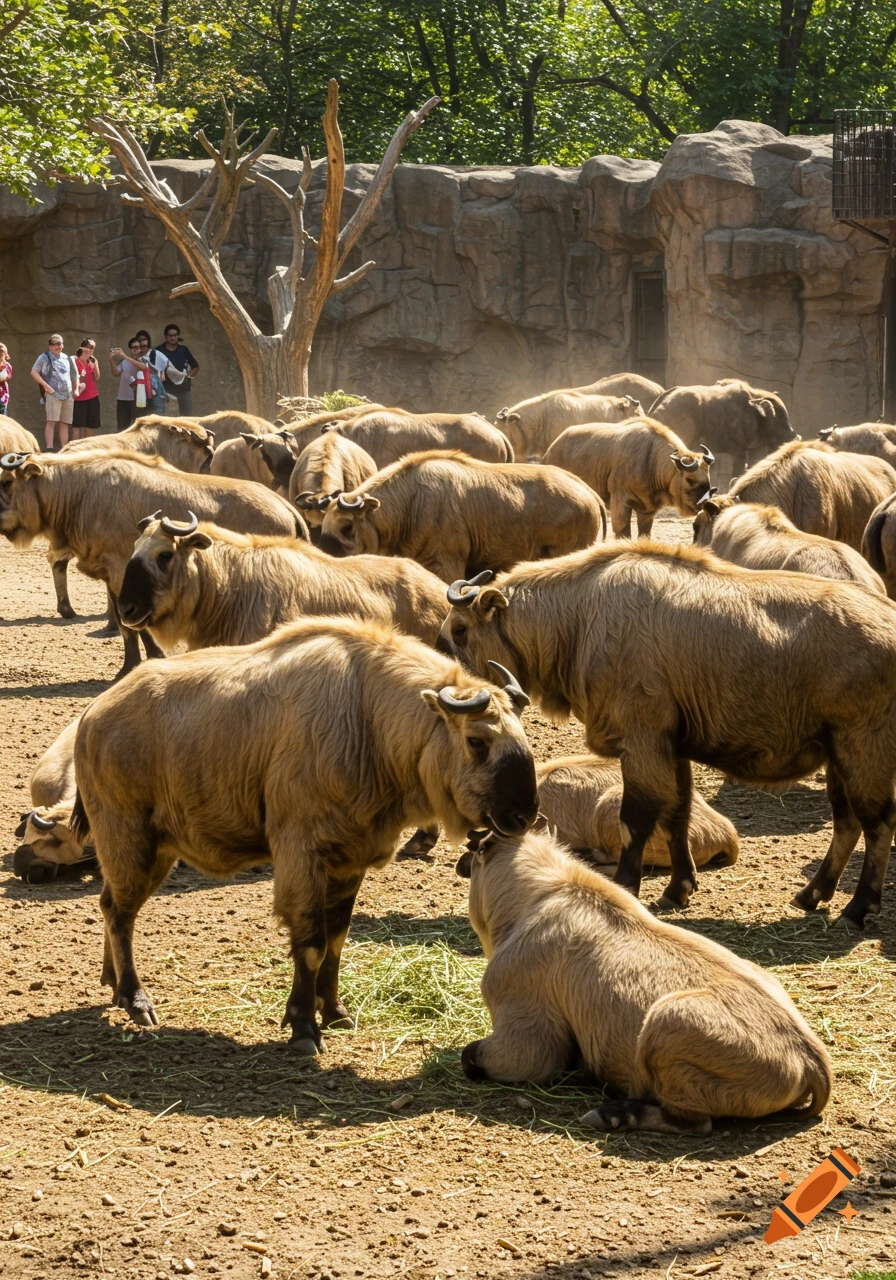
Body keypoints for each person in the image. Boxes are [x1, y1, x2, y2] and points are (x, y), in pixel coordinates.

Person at [31, 334, 81, 450]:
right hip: (53, 395)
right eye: (53, 344)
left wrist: (76, 389)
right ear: (50, 346)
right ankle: (50, 448)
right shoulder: (44, 357)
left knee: (65, 422)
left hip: (68, 395)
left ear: (62, 345)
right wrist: (46, 386)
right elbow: (34, 372)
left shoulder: (66, 358)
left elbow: (74, 375)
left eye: (59, 344)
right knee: (51, 421)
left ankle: (64, 448)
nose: (56, 346)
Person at [155, 324, 198, 415]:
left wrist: (187, 377)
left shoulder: (183, 350)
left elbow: (195, 366)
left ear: (178, 336)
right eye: (170, 335)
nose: (173, 338)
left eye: (175, 335)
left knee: (186, 419)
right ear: (166, 337)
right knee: (167, 419)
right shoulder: (158, 351)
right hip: (165, 390)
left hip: (183, 390)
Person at [110, 338, 147, 431]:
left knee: (136, 427)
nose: (137, 350)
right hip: (123, 398)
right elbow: (115, 373)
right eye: (134, 347)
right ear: (130, 349)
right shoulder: (124, 362)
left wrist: (124, 356)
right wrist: (111, 359)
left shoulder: (144, 359)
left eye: (139, 347)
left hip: (138, 399)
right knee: (122, 427)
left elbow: (143, 367)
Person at [72, 338, 101, 439]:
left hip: (92, 396)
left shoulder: (92, 361)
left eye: (94, 348)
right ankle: (76, 450)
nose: (92, 351)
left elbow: (97, 377)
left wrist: (95, 363)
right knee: (76, 425)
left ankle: (87, 450)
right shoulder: (75, 361)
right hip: (78, 398)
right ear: (83, 348)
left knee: (90, 425)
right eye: (90, 348)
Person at [134, 330, 168, 417]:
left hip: (156, 393)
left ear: (148, 340)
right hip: (141, 394)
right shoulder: (135, 356)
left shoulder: (155, 354)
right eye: (139, 340)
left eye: (144, 339)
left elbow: (166, 366)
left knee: (158, 420)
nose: (142, 342)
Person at [0, 343, 11, 415]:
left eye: (1, 355)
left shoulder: (6, 366)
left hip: (2, 393)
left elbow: (5, 376)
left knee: (2, 413)